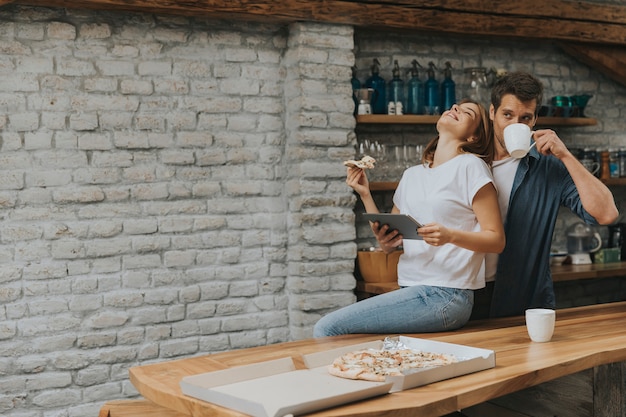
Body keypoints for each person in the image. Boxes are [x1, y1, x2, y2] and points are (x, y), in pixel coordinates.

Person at [313, 100, 505, 337]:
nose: (455, 109)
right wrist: (365, 194)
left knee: (328, 328)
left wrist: (450, 236)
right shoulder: (412, 175)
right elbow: (390, 241)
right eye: (455, 107)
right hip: (410, 289)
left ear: (473, 137)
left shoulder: (471, 166)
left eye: (466, 112)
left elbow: (496, 240)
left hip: (446, 295)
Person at [480, 71, 618, 317]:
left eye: (525, 118)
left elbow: (606, 213)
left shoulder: (549, 167)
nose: (515, 125)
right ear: (492, 112)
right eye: (507, 115)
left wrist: (565, 155)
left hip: (524, 301)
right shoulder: (468, 160)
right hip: (469, 292)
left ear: (534, 120)